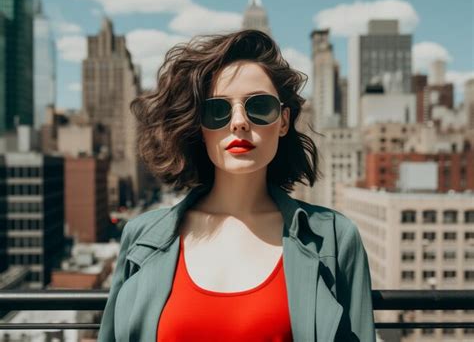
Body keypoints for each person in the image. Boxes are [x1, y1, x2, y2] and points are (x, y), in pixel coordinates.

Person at [97, 29, 376, 342]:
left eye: (259, 107)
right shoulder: (142, 238)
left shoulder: (334, 239)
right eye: (218, 110)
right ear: (199, 127)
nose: (239, 122)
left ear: (283, 121)